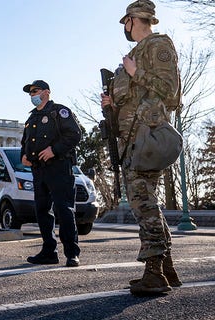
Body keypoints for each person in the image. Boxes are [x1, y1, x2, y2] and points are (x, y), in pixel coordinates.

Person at [101, 0, 181, 295]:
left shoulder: (159, 44)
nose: (125, 27)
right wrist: (113, 102)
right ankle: (166, 269)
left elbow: (168, 89)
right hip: (130, 140)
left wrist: (136, 74)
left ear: (136, 19)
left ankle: (155, 273)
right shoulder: (132, 56)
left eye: (126, 21)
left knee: (142, 203)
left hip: (147, 136)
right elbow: (131, 96)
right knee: (148, 202)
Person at [20, 80, 82, 268]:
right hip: (38, 170)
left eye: (35, 91)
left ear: (46, 92)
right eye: (30, 92)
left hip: (59, 167)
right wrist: (24, 155)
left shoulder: (59, 112)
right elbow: (26, 142)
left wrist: (54, 150)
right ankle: (49, 252)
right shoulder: (31, 118)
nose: (32, 95)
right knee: (42, 211)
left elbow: (75, 135)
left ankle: (72, 253)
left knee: (64, 210)